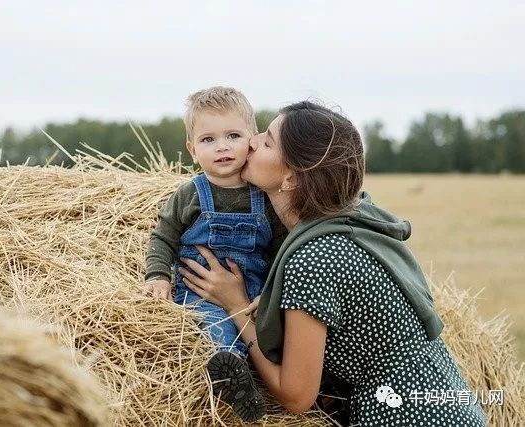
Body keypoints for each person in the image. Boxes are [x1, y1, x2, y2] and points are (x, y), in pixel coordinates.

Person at [177, 101, 487, 426]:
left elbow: (296, 396)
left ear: (291, 179)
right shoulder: (350, 221)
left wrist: (236, 305)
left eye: (267, 141)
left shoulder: (314, 257)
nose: (252, 140)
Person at [142, 86, 287, 421]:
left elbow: (281, 251)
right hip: (201, 293)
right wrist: (158, 275)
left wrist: (269, 293)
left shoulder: (264, 195)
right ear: (192, 150)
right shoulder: (189, 193)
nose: (221, 146)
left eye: (233, 135)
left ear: (252, 140)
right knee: (216, 329)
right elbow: (163, 236)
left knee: (276, 335)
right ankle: (233, 376)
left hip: (255, 292)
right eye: (208, 140)